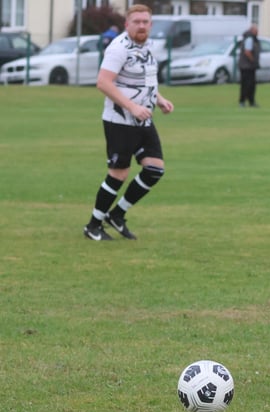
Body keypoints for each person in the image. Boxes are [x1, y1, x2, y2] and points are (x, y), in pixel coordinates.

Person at [83, 4, 174, 241]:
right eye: (137, 22)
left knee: (155, 169)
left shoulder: (149, 47)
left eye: (146, 22)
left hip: (143, 120)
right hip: (120, 120)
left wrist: (160, 99)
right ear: (127, 24)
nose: (142, 25)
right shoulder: (119, 48)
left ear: (151, 25)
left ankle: (117, 214)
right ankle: (93, 225)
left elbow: (146, 81)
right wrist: (132, 107)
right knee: (119, 173)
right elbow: (103, 82)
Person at [238, 24, 261, 108]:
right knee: (246, 85)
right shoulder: (249, 39)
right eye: (256, 31)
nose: (257, 33)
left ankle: (251, 101)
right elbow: (247, 52)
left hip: (249, 66)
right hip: (246, 66)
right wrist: (253, 61)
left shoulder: (251, 39)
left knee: (252, 85)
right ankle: (242, 101)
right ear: (252, 31)